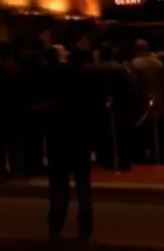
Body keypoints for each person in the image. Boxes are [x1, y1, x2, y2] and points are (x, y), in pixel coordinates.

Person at [47, 50, 103, 242]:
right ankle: (85, 226)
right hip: (81, 139)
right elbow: (96, 111)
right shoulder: (91, 82)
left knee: (59, 186)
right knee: (83, 185)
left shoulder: (58, 80)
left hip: (60, 137)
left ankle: (56, 224)